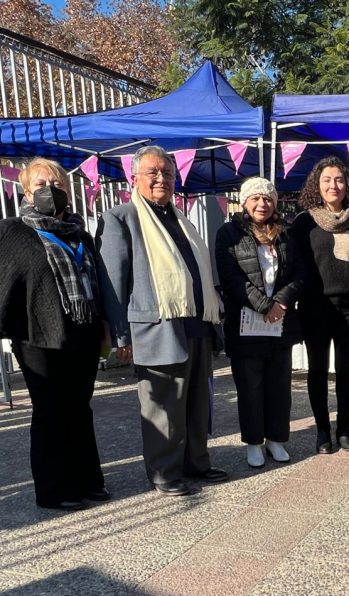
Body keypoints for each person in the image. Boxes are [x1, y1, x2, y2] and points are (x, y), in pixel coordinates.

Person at [96, 145, 228, 496]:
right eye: (153, 172)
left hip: (197, 323)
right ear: (134, 177)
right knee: (163, 407)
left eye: (168, 173)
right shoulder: (121, 218)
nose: (161, 178)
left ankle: (196, 463)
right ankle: (164, 472)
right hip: (156, 326)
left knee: (197, 403)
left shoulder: (180, 219)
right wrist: (120, 335)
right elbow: (113, 282)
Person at [0, 158, 106, 511]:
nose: (51, 191)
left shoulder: (81, 234)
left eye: (58, 184)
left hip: (82, 333)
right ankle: (53, 489)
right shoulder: (14, 231)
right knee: (49, 411)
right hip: (37, 336)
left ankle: (87, 481)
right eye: (42, 185)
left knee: (79, 407)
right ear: (27, 193)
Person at [215, 177, 303, 468]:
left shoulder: (287, 234)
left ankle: (276, 439)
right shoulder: (228, 234)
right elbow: (231, 279)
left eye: (267, 199)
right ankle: (254, 441)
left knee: (279, 386)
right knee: (250, 387)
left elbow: (299, 275)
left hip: (280, 324)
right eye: (255, 198)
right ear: (244, 202)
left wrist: (280, 304)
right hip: (246, 324)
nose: (262, 204)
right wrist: (265, 306)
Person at [293, 156, 349, 454]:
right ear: (317, 184)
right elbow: (297, 267)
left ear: (347, 185)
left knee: (346, 371)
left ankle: (344, 430)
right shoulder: (304, 223)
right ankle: (322, 431)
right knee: (317, 371)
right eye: (326, 180)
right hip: (315, 308)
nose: (333, 185)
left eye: (339, 179)